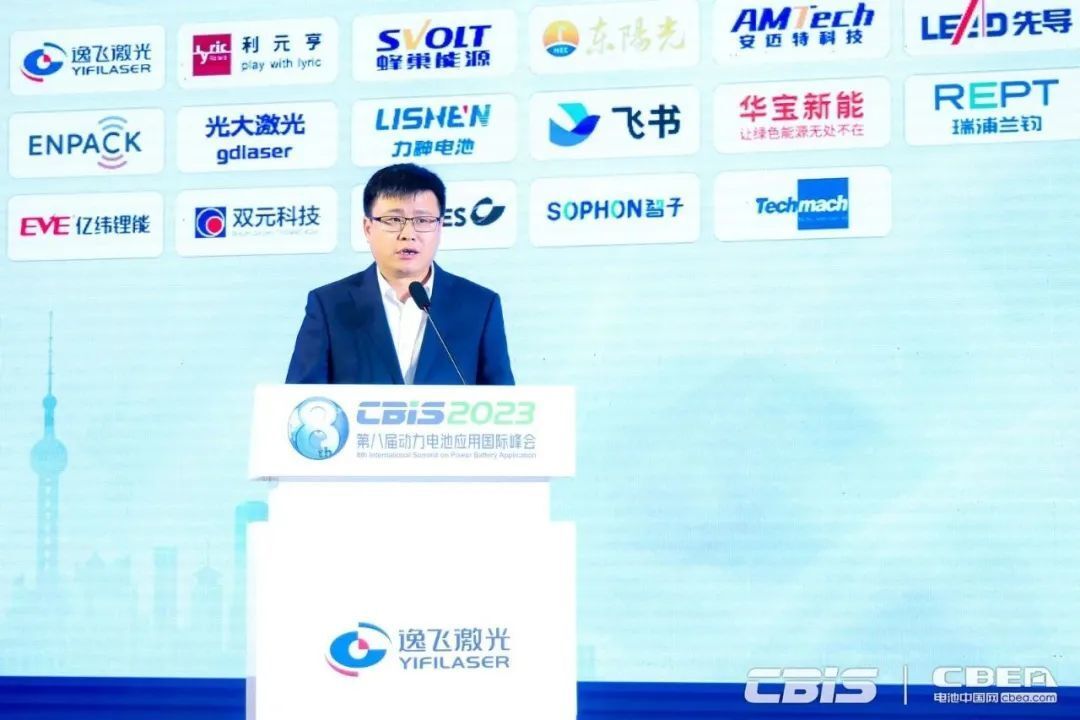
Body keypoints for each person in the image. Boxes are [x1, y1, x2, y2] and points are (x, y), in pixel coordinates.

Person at [285, 163, 515, 385]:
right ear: (368, 228)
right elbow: (300, 400)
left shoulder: (479, 306)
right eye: (393, 220)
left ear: (440, 227)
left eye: (423, 220)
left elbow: (503, 401)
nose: (408, 234)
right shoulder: (329, 305)